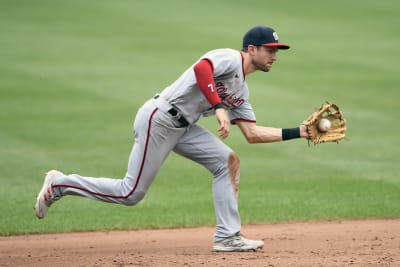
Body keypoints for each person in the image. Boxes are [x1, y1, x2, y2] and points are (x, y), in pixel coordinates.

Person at [35, 25, 309, 252]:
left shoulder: (241, 91)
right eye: (270, 50)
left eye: (276, 51)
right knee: (130, 193)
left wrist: (300, 132)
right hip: (160, 118)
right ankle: (60, 184)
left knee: (227, 161)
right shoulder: (229, 57)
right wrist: (219, 108)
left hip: (183, 127)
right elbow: (202, 69)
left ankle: (228, 236)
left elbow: (252, 133)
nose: (275, 56)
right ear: (252, 49)